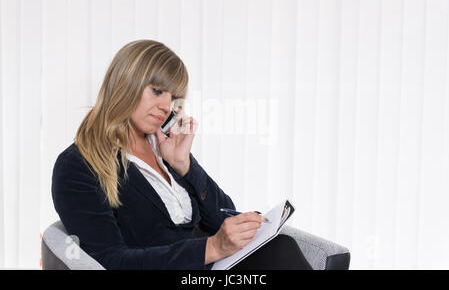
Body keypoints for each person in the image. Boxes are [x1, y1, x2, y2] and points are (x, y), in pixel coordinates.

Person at [52, 39, 311, 270]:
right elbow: (110, 261)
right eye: (157, 91)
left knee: (282, 248)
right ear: (125, 83)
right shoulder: (78, 165)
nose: (166, 106)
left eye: (173, 97)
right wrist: (211, 248)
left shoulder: (164, 148)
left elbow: (222, 216)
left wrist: (183, 164)